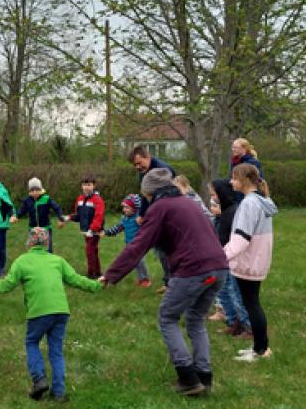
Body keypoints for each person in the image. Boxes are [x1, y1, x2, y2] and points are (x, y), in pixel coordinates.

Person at [99, 168, 228, 396]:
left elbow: (138, 245)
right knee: (196, 319)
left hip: (193, 270)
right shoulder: (189, 202)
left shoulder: (160, 208)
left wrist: (110, 275)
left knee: (167, 317)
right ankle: (204, 378)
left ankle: (188, 378)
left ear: (149, 192)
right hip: (219, 267)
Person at [0, 227, 101, 403]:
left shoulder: (22, 261)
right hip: (61, 311)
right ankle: (59, 393)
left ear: (29, 243)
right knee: (56, 351)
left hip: (38, 312)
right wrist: (98, 285)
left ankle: (39, 379)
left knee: (31, 342)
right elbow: (76, 279)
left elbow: (7, 284)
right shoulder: (57, 260)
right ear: (47, 243)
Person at [225, 163, 277, 362]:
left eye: (234, 178)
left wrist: (221, 257)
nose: (231, 182)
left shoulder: (249, 203)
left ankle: (261, 350)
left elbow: (241, 239)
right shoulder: (260, 200)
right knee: (252, 303)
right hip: (257, 260)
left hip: (248, 262)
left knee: (252, 304)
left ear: (244, 180)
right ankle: (260, 347)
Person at [128, 144, 176, 291]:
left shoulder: (162, 170)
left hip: (169, 215)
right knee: (161, 251)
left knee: (168, 251)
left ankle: (173, 283)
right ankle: (169, 282)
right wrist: (142, 214)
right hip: (156, 214)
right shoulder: (143, 171)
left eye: (139, 162)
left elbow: (171, 196)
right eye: (134, 164)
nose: (137, 166)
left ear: (147, 157)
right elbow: (145, 195)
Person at [208, 179, 252, 337]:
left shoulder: (234, 212)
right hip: (221, 257)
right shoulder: (224, 211)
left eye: (214, 193)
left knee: (235, 292)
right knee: (224, 290)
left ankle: (248, 326)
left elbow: (237, 238)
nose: (212, 197)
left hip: (232, 258)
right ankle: (234, 321)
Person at [102, 194, 150, 287]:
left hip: (139, 244)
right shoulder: (124, 218)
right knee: (134, 262)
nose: (124, 209)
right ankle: (141, 278)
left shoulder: (138, 219)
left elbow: (147, 228)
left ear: (135, 209)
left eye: (127, 207)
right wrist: (107, 232)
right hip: (129, 244)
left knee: (140, 261)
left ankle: (145, 279)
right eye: (124, 207)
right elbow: (118, 228)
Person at [11, 178, 65, 253]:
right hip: (33, 229)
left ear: (41, 189)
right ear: (30, 191)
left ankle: (49, 263)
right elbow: (21, 211)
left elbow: (57, 208)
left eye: (37, 190)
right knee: (33, 250)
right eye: (32, 190)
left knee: (48, 250)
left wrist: (61, 219)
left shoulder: (46, 199)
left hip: (45, 228)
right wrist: (16, 217)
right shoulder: (27, 200)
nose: (35, 192)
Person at [67, 176, 105, 279]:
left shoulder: (98, 200)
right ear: (81, 186)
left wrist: (92, 229)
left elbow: (99, 217)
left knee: (89, 251)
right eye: (84, 185)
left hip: (94, 231)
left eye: (89, 185)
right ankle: (97, 272)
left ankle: (91, 274)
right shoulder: (80, 199)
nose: (86, 187)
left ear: (94, 186)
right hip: (85, 231)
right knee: (93, 250)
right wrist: (68, 218)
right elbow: (78, 215)